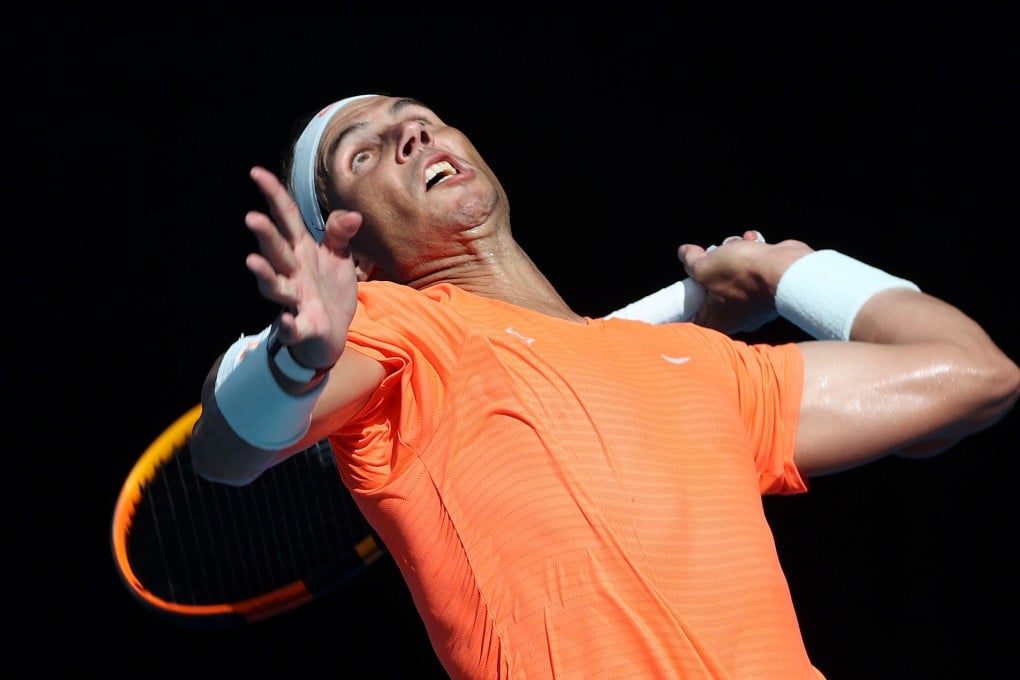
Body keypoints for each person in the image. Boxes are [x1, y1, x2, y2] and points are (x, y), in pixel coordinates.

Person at [191, 93, 1019, 679]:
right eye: (363, 151)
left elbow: (973, 374)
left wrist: (792, 270)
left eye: (419, 117)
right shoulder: (398, 330)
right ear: (357, 252)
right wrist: (297, 360)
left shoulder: (708, 367)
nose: (409, 133)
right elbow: (225, 452)